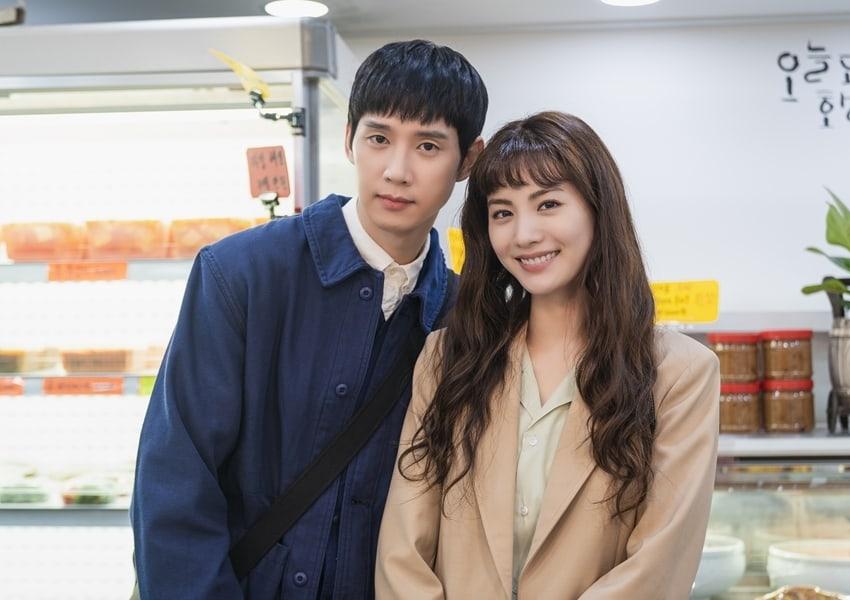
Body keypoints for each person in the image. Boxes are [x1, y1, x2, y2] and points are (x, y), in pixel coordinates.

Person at [131, 40, 487, 599]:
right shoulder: (242, 273)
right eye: (378, 138)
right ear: (349, 139)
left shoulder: (466, 318)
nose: (397, 171)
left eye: (427, 146)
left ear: (468, 160)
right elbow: (175, 483)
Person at [375, 111, 719, 599]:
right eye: (503, 212)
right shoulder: (448, 359)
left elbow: (658, 566)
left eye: (549, 204)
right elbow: (402, 552)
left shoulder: (680, 374)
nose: (524, 234)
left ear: (599, 209)